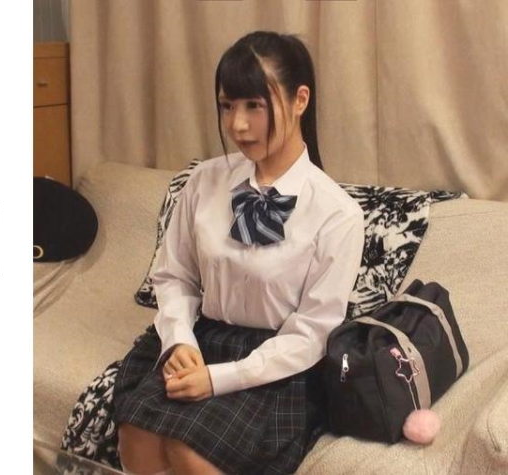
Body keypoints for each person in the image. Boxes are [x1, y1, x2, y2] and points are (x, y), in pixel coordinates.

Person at [113, 31, 365, 474]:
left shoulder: (337, 213)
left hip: (276, 364)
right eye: (227, 106)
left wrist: (218, 378)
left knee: (189, 452)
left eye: (254, 106)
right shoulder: (204, 181)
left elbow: (312, 332)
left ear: (300, 100)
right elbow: (174, 276)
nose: (237, 125)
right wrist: (179, 340)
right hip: (201, 338)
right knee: (137, 433)